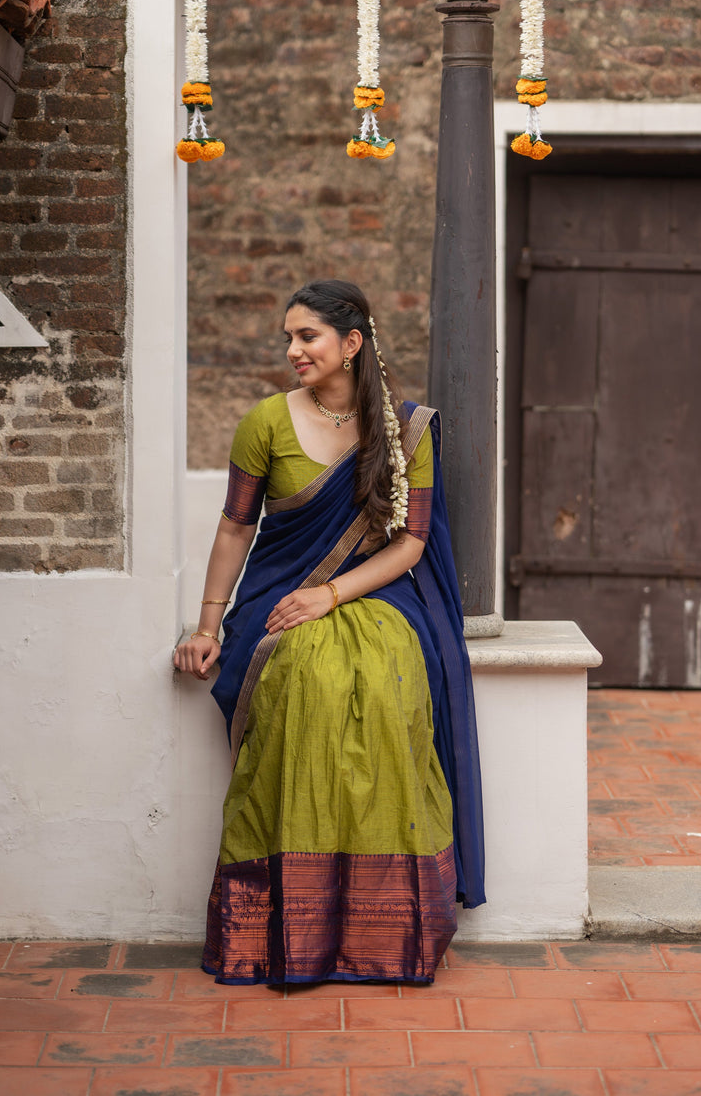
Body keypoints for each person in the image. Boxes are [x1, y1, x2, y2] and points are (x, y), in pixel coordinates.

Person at [174, 279, 484, 986]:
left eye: (307, 336)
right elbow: (234, 527)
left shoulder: (407, 429)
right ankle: (286, 929)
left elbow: (410, 543)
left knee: (383, 685)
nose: (292, 350)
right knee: (305, 685)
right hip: (277, 598)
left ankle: (381, 931)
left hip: (370, 593)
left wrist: (331, 593)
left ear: (351, 344)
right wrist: (206, 624)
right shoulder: (266, 423)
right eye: (288, 337)